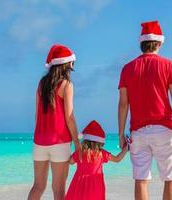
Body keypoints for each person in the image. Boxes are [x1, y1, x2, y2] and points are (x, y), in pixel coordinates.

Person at [117, 20, 172, 200]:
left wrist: (121, 134)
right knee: (171, 178)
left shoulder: (127, 68)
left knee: (141, 179)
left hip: (137, 131)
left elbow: (123, 104)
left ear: (142, 43)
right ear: (158, 43)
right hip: (164, 128)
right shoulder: (168, 65)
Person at [28, 44, 82, 200]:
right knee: (58, 190)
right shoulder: (66, 84)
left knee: (38, 186)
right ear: (67, 63)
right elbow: (69, 118)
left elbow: (37, 115)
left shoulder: (41, 84)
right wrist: (77, 143)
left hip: (39, 142)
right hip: (59, 142)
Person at [65, 120, 128, 200]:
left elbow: (70, 161)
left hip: (80, 185)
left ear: (85, 140)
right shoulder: (101, 154)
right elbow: (117, 159)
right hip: (96, 186)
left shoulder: (80, 153)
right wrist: (125, 149)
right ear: (100, 142)